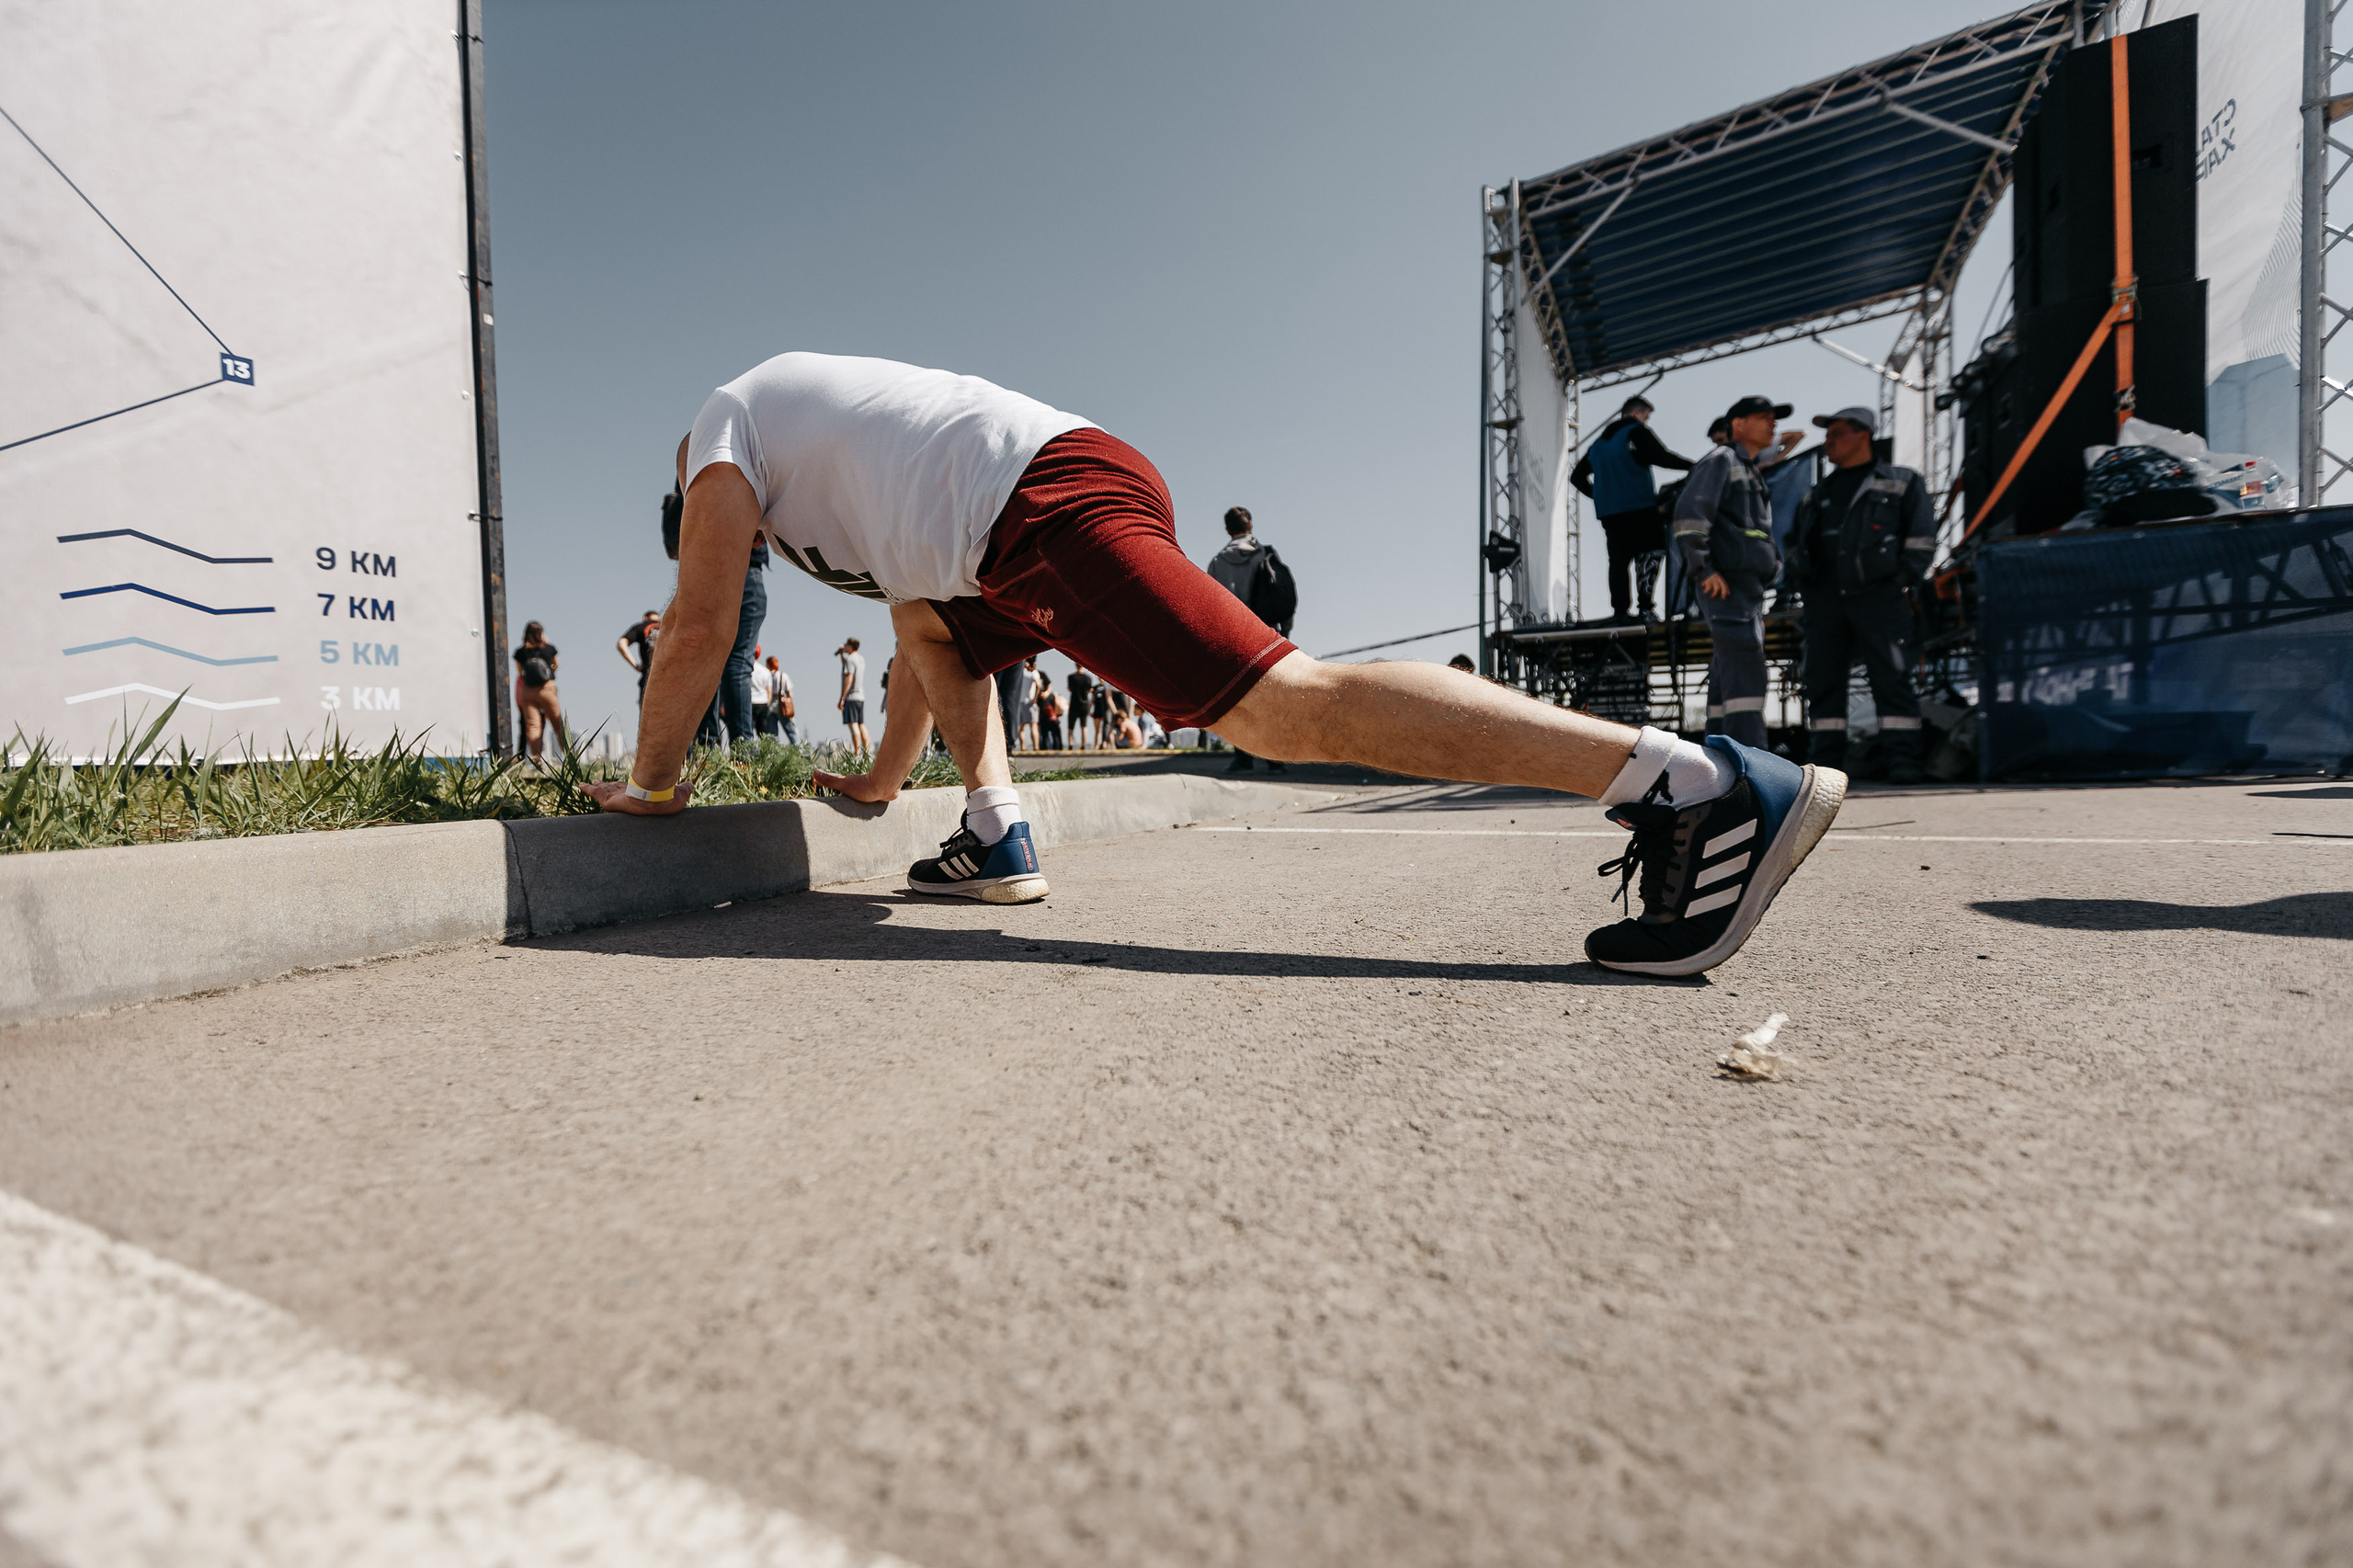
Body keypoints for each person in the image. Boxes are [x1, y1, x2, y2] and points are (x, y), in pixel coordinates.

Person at [586, 351, 1846, 975]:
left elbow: (696, 627)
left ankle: (1703, 784)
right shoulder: (853, 480)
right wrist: (873, 789)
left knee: (1280, 707)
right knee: (931, 624)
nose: (726, 545)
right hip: (1031, 504)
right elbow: (926, 653)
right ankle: (996, 831)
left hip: (1035, 506)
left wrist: (652, 787)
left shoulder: (721, 429)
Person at [1787, 406, 1937, 784]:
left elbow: (1920, 539)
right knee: (1822, 682)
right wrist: (1801, 579)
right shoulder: (1817, 494)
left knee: (1892, 678)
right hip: (1824, 603)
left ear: (1863, 434)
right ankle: (1826, 768)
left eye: (1836, 433)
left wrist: (1901, 579)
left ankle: (1903, 762)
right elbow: (1794, 544)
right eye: (1828, 435)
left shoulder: (1901, 481)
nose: (1828, 442)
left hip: (1879, 598)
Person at [1674, 395, 1790, 749]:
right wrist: (1703, 568)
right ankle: (1752, 759)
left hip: (1746, 587)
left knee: (1730, 674)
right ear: (1738, 425)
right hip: (1727, 584)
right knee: (1746, 670)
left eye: (1774, 419)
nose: (1773, 425)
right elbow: (1689, 516)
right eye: (1764, 417)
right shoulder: (1721, 460)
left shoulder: (1750, 468)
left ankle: (1723, 756)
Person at [1571, 394, 1696, 623]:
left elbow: (1577, 477)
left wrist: (1599, 496)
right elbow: (1659, 456)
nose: (1646, 422)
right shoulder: (1635, 432)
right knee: (1650, 553)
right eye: (1646, 417)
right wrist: (1695, 467)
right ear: (1638, 413)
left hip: (1610, 515)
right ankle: (1645, 608)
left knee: (1618, 561)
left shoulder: (1598, 445)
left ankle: (1620, 612)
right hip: (1640, 507)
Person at [1205, 506, 1294, 773]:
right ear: (1250, 525)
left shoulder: (1217, 563)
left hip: (1233, 637)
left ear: (1227, 529)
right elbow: (1282, 591)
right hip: (1266, 633)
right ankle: (1274, 759)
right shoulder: (1265, 555)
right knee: (1271, 699)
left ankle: (1243, 758)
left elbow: (1210, 606)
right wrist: (1285, 632)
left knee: (1239, 699)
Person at [511, 620, 566, 765]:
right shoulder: (549, 649)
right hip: (546, 689)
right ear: (541, 634)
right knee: (557, 724)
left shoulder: (520, 652)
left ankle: (537, 761)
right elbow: (555, 665)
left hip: (527, 691)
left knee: (533, 726)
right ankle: (569, 756)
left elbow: (520, 672)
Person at [616, 609, 661, 705]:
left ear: (645, 618)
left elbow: (621, 644)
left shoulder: (640, 627)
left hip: (650, 676)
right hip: (676, 678)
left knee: (649, 716)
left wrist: (636, 666)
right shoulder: (669, 626)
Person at [836, 637, 870, 751]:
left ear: (850, 646)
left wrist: (842, 697)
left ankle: (857, 753)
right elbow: (847, 665)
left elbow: (849, 678)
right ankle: (868, 753)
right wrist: (842, 655)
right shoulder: (860, 659)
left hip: (851, 697)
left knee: (853, 725)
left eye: (846, 645)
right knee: (861, 724)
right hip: (860, 696)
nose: (845, 646)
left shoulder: (850, 659)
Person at [767, 655, 798, 744]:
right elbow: (789, 692)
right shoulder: (783, 676)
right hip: (782, 704)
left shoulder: (767, 676)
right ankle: (799, 751)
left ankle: (774, 754)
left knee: (773, 734)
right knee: (790, 730)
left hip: (770, 705)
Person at [749, 647, 779, 737]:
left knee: (749, 731)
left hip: (750, 702)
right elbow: (769, 691)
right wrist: (767, 704)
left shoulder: (747, 670)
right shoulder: (765, 671)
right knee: (763, 734)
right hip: (762, 703)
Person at [1067, 665, 1097, 750]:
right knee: (1084, 725)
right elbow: (1090, 690)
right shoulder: (1088, 678)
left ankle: (1070, 744)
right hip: (1084, 703)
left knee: (1071, 727)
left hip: (1074, 703)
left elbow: (1070, 689)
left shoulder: (1071, 677)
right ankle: (1083, 745)